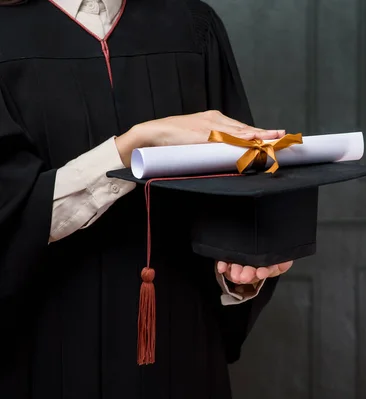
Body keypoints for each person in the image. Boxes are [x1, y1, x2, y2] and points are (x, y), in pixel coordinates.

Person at [0, 0, 294, 397]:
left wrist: (240, 269)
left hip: (181, 344)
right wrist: (134, 146)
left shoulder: (193, 28)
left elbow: (236, 189)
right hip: (44, 351)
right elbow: (11, 214)